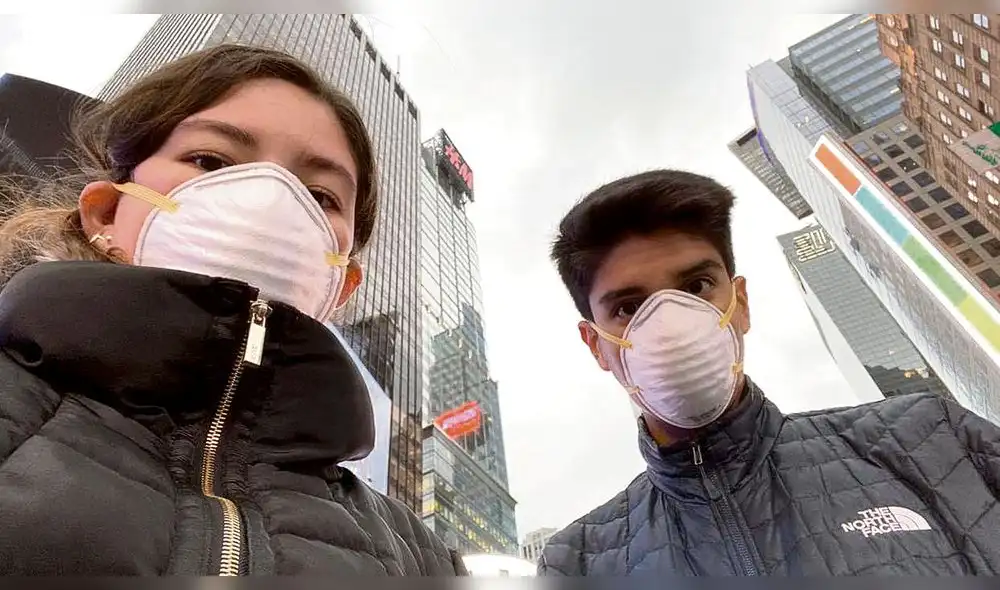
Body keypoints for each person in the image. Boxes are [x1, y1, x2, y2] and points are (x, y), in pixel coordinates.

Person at [0, 44, 467, 576]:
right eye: (211, 160)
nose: (269, 201)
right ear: (106, 211)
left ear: (340, 286)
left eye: (320, 195)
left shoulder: (422, 558)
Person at [538, 170, 1000, 575]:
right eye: (628, 307)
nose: (670, 325)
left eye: (697, 287)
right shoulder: (577, 561)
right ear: (597, 344)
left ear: (740, 305)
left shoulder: (929, 439)